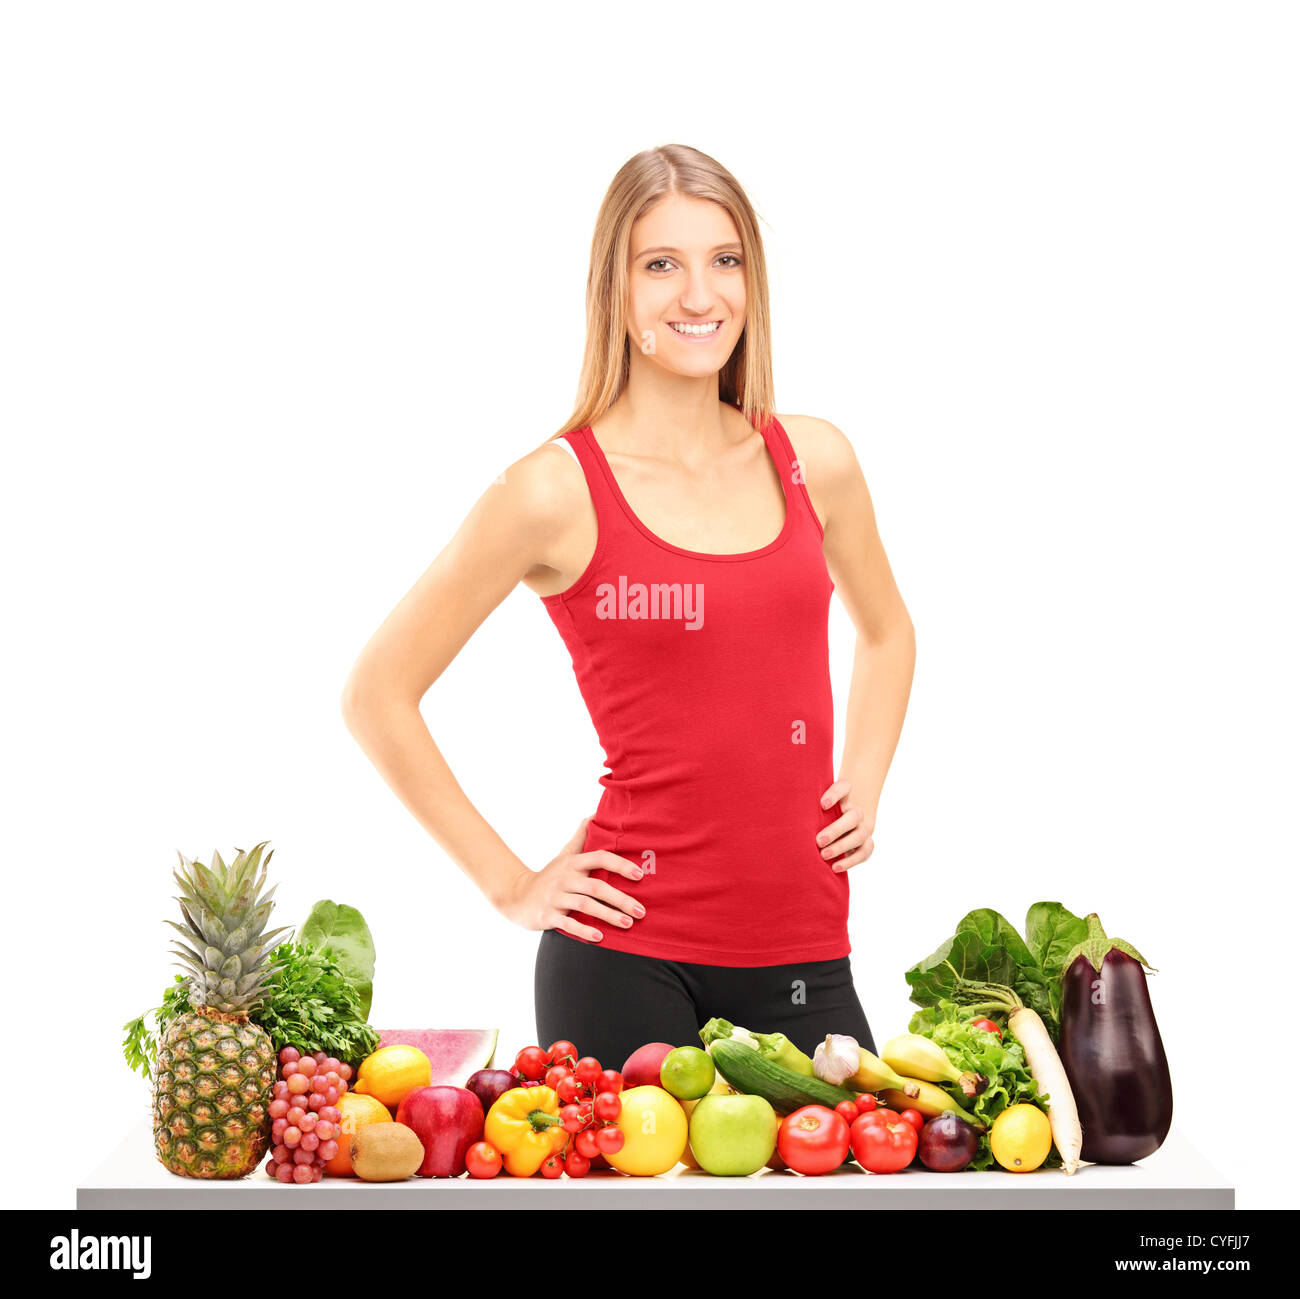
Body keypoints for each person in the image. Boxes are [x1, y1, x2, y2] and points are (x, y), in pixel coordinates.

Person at [341, 144, 915, 1070]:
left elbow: (888, 632)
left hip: (807, 955)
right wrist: (514, 885)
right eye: (662, 265)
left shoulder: (817, 461)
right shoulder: (553, 491)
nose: (700, 294)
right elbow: (377, 693)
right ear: (617, 291)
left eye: (725, 261)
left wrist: (867, 778)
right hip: (624, 958)